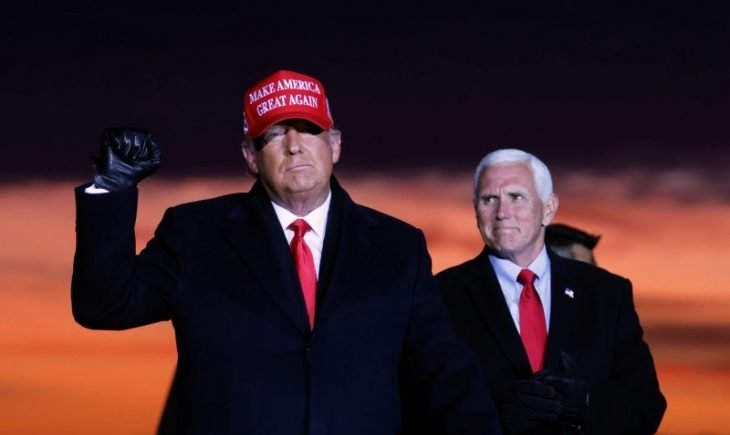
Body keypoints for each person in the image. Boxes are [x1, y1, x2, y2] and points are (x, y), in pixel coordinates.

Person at [71, 69, 503, 435]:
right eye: (275, 133)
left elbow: (444, 373)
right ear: (250, 157)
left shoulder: (398, 247)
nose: (294, 145)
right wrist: (112, 188)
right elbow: (104, 306)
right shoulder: (195, 234)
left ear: (334, 145)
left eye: (309, 129)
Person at [433, 148, 666, 434]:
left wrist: (586, 404)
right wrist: (490, 413)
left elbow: (646, 404)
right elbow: (410, 402)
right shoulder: (439, 296)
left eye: (516, 197)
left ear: (549, 208)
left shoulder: (607, 294)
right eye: (489, 199)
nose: (502, 213)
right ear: (475, 210)